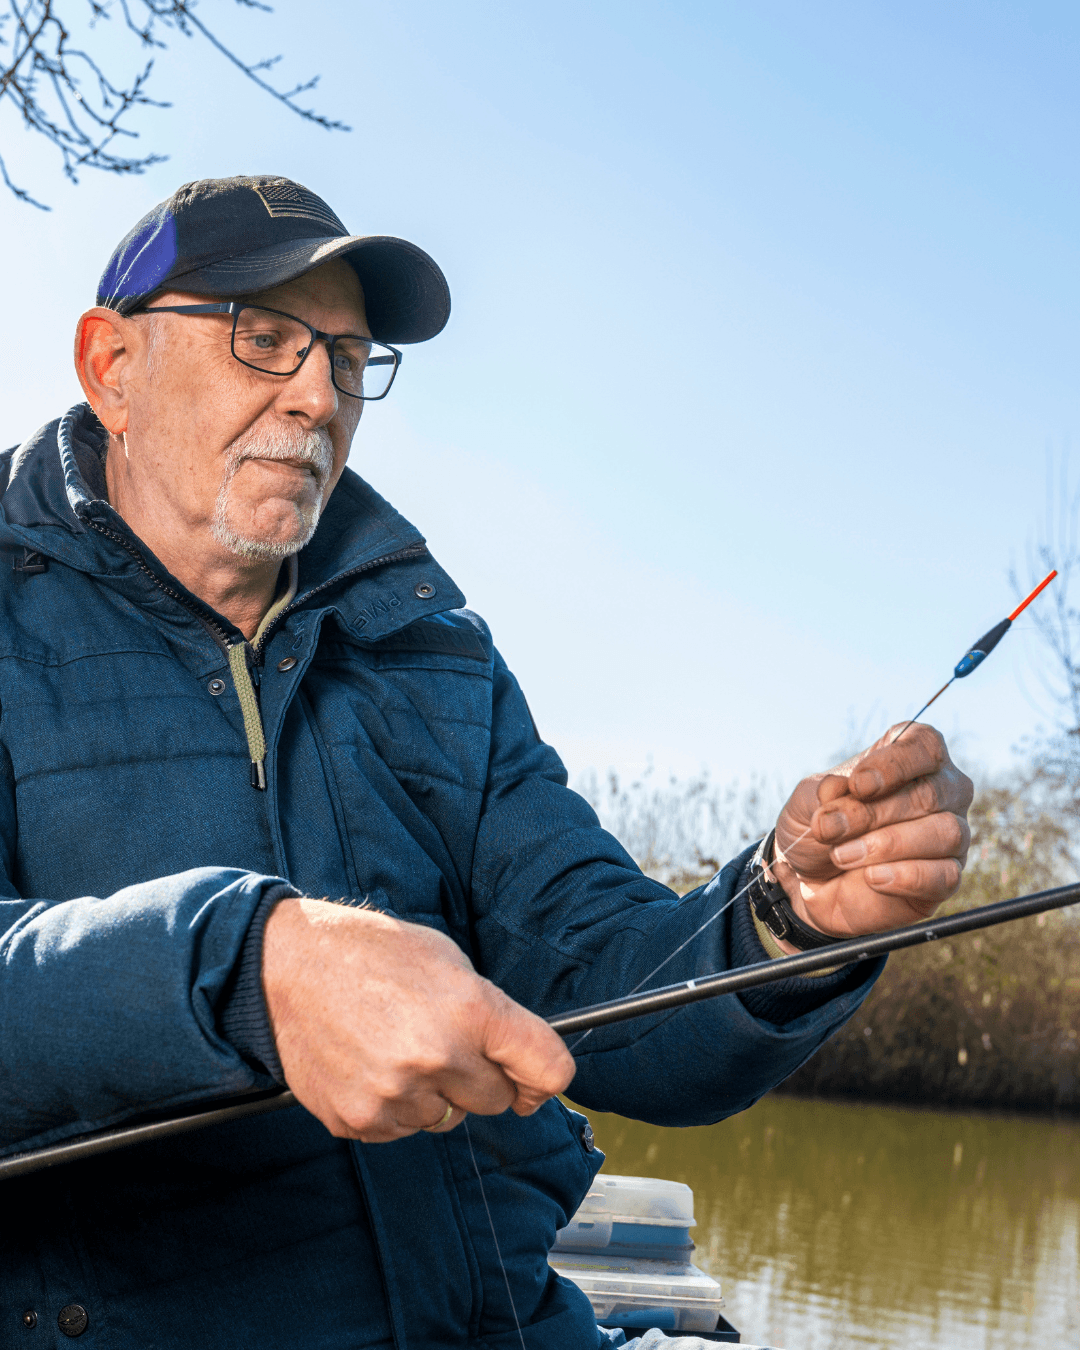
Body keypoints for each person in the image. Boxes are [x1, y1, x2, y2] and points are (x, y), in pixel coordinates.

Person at [0, 175, 972, 1350]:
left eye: (350, 361)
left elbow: (607, 980)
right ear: (111, 365)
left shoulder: (433, 649)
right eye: (265, 341)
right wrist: (249, 970)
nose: (319, 396)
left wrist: (787, 925)